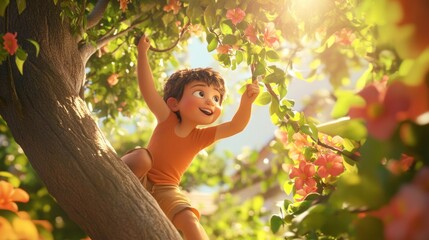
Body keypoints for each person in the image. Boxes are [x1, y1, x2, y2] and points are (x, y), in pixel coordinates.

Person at [121, 36, 260, 239]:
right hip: (140, 174)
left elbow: (235, 126)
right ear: (174, 103)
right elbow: (148, 89)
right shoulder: (167, 117)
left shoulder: (201, 137)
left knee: (189, 218)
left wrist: (246, 102)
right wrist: (142, 53)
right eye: (200, 93)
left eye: (216, 98)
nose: (210, 102)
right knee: (142, 158)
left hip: (166, 190)